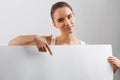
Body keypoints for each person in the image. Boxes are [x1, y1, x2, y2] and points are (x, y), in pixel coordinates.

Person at [9, 1, 120, 73]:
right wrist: (34, 37)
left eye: (69, 17)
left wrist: (110, 70)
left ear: (74, 16)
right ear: (54, 24)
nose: (67, 23)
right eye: (60, 20)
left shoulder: (88, 49)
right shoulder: (46, 42)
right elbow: (12, 43)